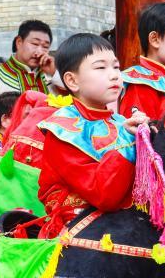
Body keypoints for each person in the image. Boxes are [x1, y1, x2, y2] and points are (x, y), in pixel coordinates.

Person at [38, 33, 148, 237]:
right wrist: (130, 141)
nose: (114, 75)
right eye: (100, 68)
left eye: (116, 67)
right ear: (72, 80)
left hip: (123, 221)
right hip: (77, 228)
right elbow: (104, 196)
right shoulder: (62, 129)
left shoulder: (120, 122)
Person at [0, 20, 57, 133]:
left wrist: (55, 73)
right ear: (19, 42)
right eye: (35, 44)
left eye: (45, 47)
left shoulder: (52, 80)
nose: (39, 52)